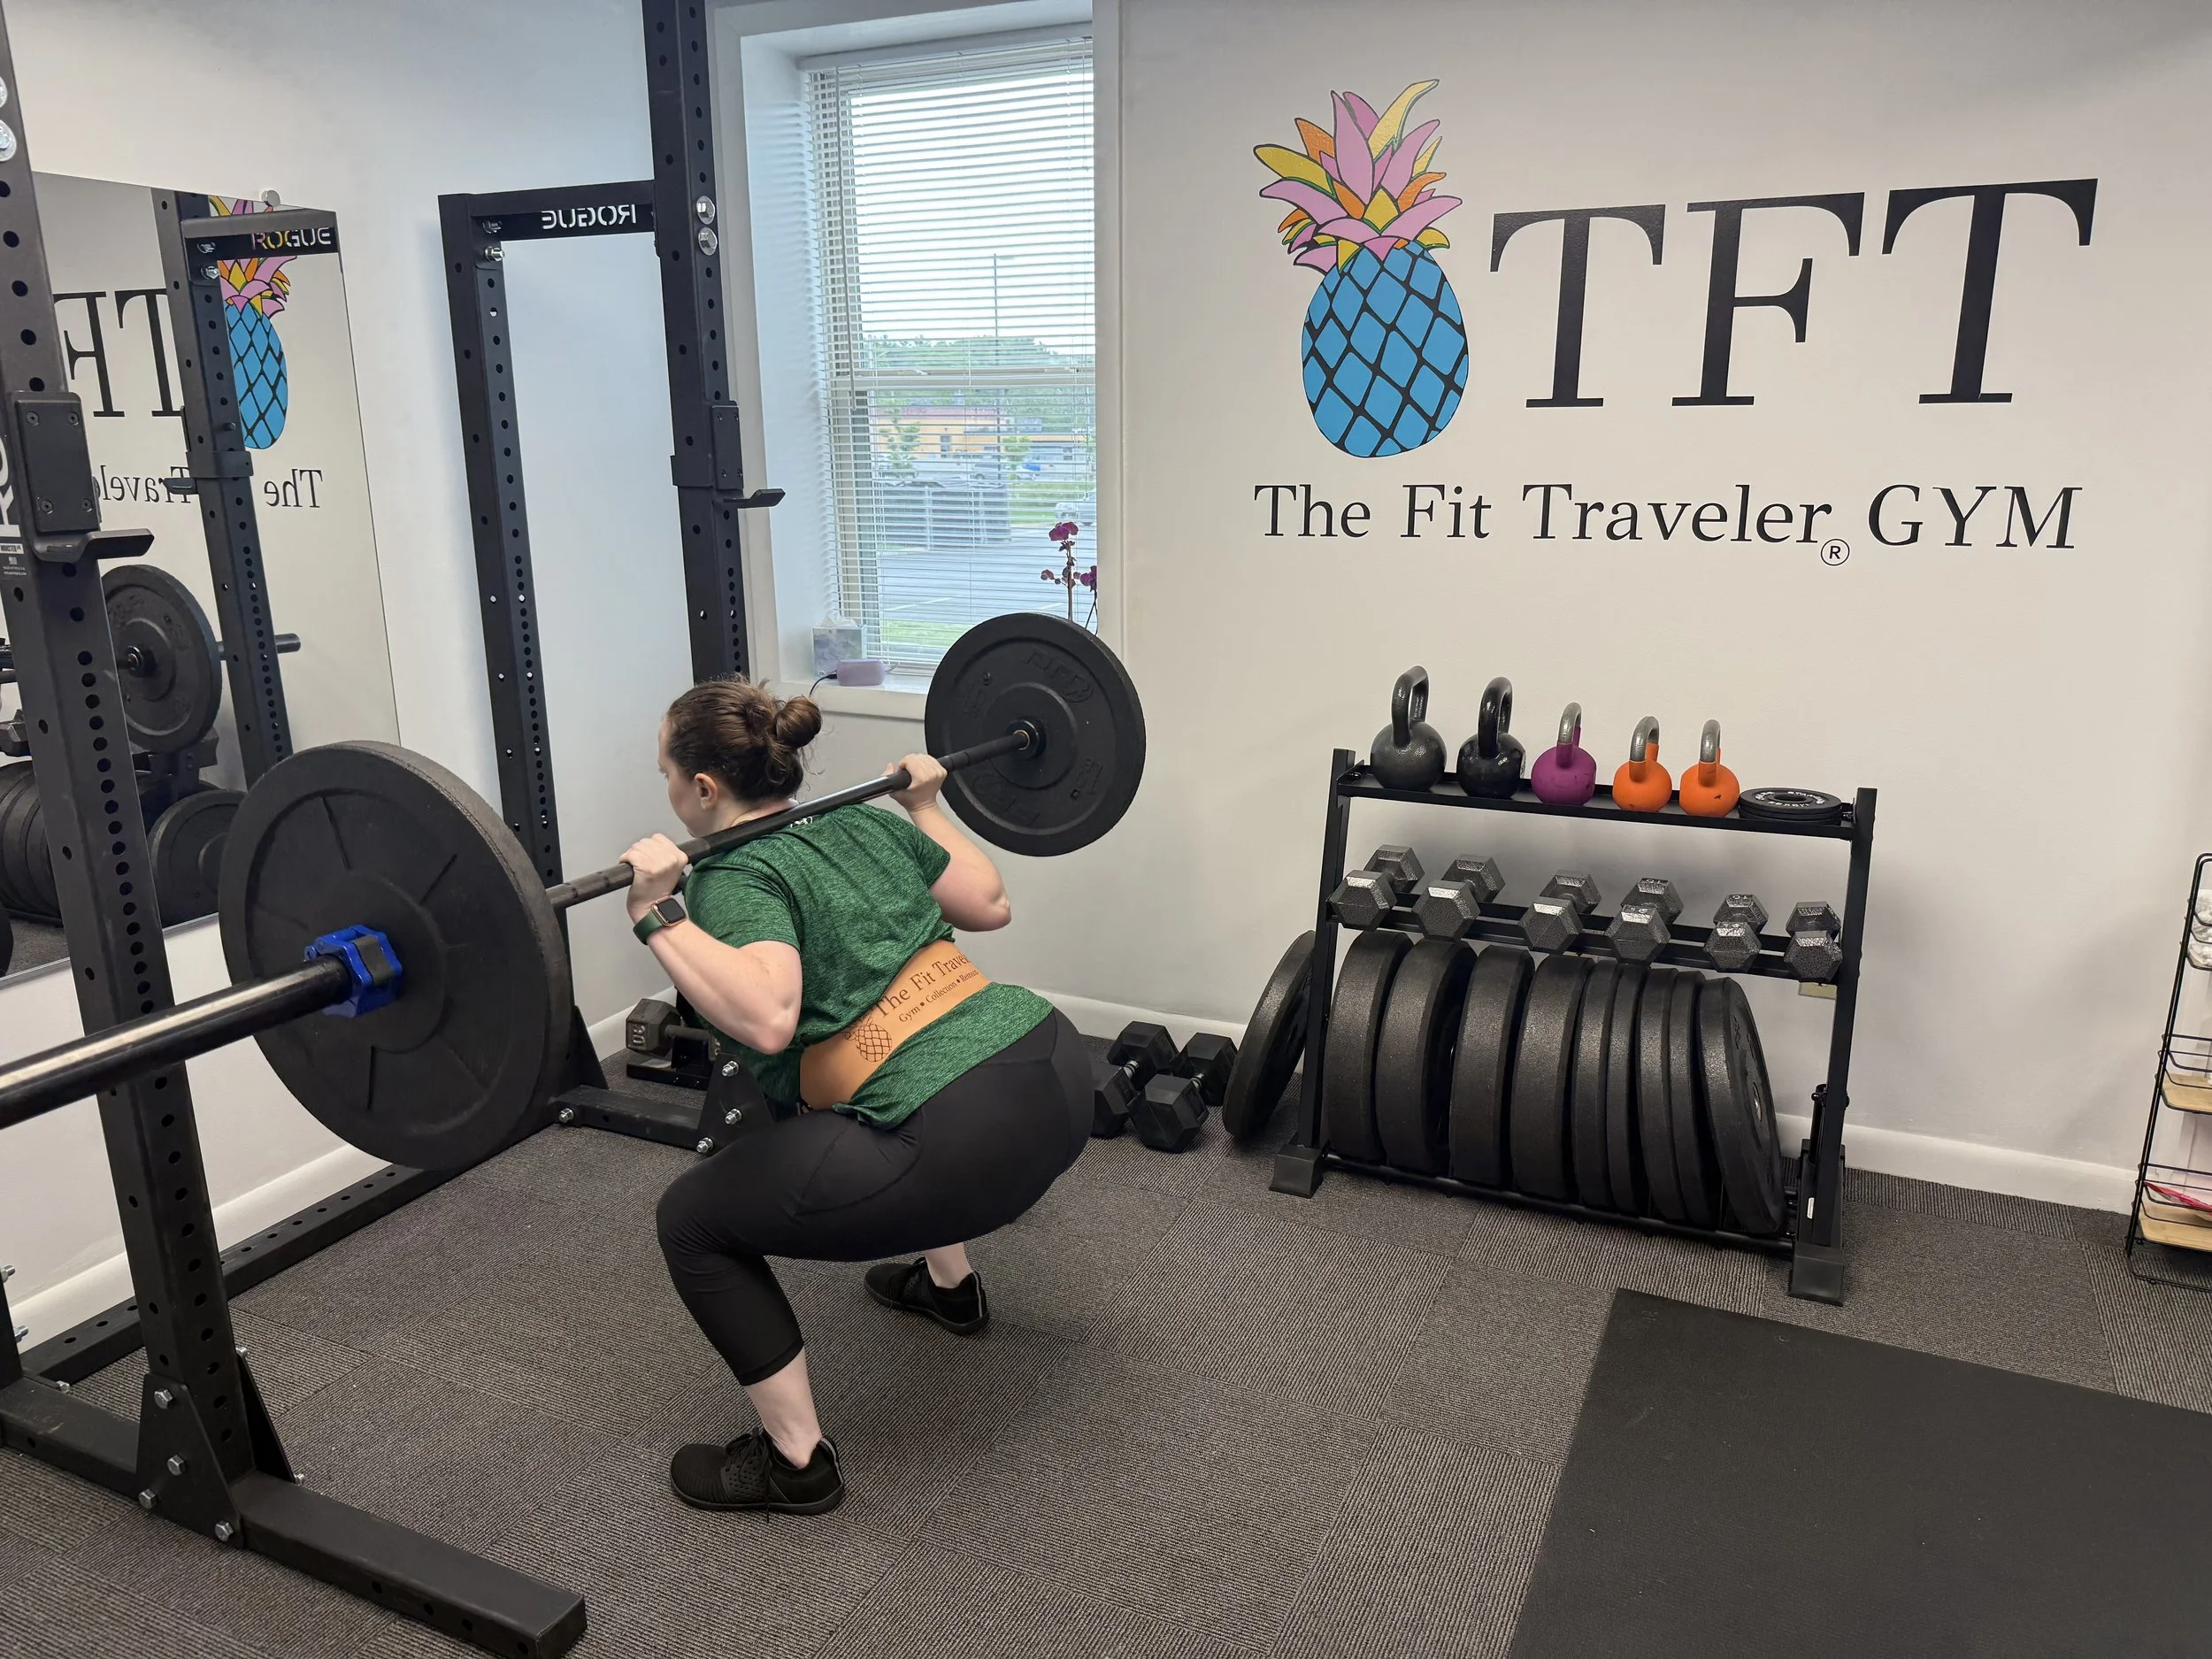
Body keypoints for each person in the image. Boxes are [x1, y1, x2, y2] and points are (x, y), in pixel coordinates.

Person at [621, 678, 1091, 1516]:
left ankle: (796, 1463)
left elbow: (768, 1020)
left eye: (665, 772)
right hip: (1053, 1068)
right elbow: (990, 903)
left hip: (962, 1141)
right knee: (872, 1091)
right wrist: (928, 804)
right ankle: (952, 1289)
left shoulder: (734, 874)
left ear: (702, 786)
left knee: (690, 1219)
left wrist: (660, 914)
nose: (665, 789)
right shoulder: (865, 816)